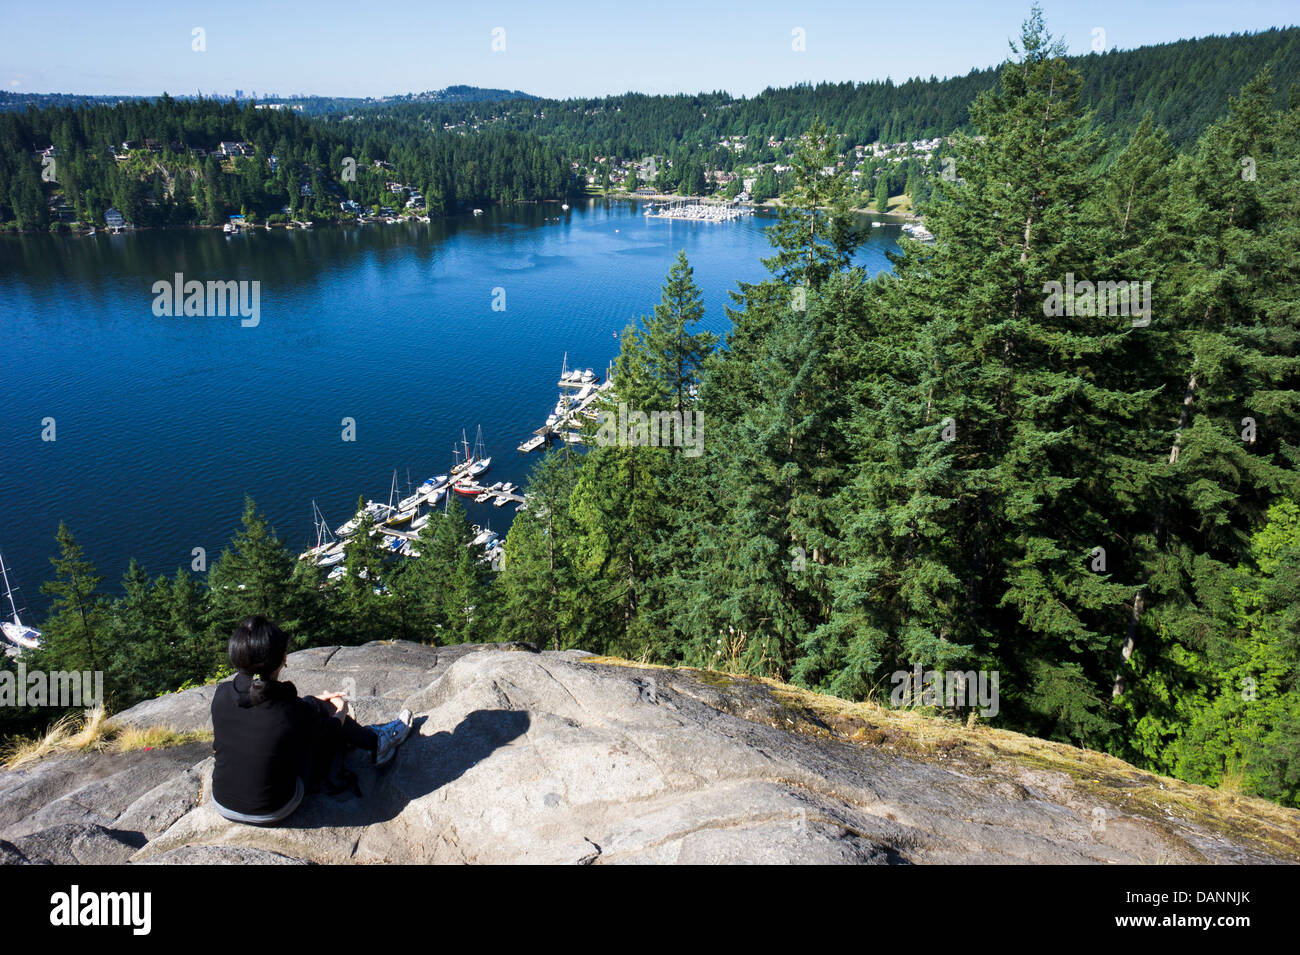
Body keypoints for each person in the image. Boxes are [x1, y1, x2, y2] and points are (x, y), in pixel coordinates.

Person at [210, 616, 413, 825]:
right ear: (282, 659)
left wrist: (314, 703)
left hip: (223, 803)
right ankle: (377, 743)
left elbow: (264, 714)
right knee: (321, 730)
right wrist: (341, 710)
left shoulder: (223, 694)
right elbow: (329, 734)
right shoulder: (288, 711)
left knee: (311, 707)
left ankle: (366, 736)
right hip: (274, 807)